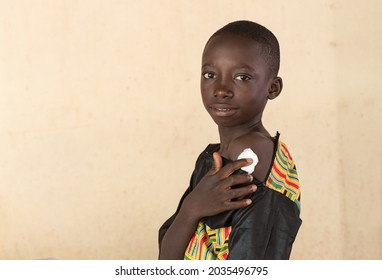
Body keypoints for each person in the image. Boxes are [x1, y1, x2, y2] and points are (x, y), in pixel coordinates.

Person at [158, 20, 301, 260]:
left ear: (273, 88)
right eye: (210, 74)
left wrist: (192, 210)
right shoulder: (212, 157)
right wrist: (192, 208)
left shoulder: (252, 154)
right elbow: (166, 259)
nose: (221, 89)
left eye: (242, 77)